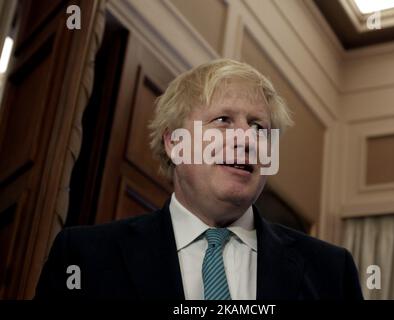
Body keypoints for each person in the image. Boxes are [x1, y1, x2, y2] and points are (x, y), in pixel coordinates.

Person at [35, 59, 363, 300]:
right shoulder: (84, 257)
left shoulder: (331, 272)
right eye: (223, 120)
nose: (246, 139)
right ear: (175, 142)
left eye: (259, 128)